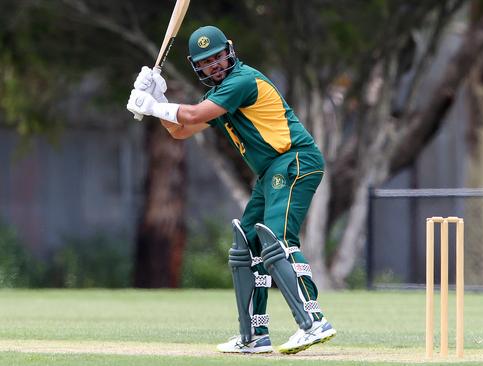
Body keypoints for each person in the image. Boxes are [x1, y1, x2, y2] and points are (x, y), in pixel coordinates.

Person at [126, 26, 336, 354]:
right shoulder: (220, 95)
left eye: (217, 57)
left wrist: (152, 105)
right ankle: (255, 335)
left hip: (294, 159)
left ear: (230, 51)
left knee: (278, 239)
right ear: (198, 67)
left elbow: (192, 114)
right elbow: (181, 131)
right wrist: (159, 100)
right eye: (206, 63)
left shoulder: (240, 82)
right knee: (246, 248)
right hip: (271, 172)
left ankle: (313, 321)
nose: (214, 66)